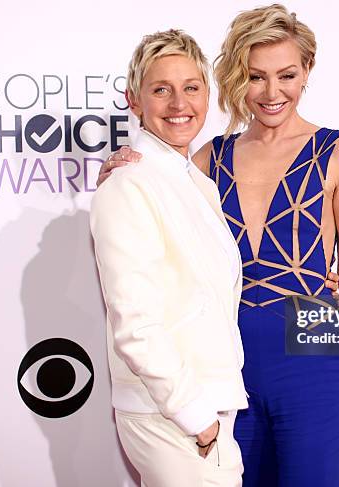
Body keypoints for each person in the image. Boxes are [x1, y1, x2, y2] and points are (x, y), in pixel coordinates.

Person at [98, 5, 339, 486]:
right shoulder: (208, 157)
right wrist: (121, 166)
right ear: (234, 77)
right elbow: (158, 202)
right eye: (255, 77)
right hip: (227, 373)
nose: (272, 93)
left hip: (313, 362)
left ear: (307, 72)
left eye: (287, 75)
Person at [90, 29, 249, 487]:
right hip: (173, 416)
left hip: (204, 407)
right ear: (134, 101)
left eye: (191, 88)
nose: (180, 103)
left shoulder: (197, 183)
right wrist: (196, 418)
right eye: (161, 89)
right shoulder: (126, 185)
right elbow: (135, 322)